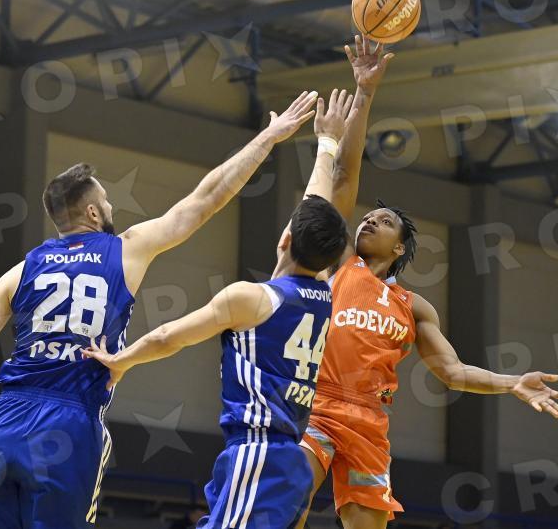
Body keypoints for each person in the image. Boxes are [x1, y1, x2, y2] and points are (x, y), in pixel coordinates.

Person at [0, 90, 319, 529]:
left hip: (2, 423)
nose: (110, 207)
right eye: (106, 200)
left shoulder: (21, 271)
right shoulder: (126, 249)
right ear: (92, 212)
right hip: (67, 423)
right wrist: (269, 137)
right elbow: (205, 199)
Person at [295, 36, 558, 529]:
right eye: (368, 218)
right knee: (287, 504)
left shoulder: (414, 307)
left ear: (399, 249)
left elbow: (453, 372)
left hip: (370, 420)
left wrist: (512, 383)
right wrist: (364, 94)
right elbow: (343, 175)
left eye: (383, 222)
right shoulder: (339, 264)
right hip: (318, 405)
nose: (369, 221)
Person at [86, 91, 356, 528]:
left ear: (285, 239)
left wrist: (122, 361)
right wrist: (327, 143)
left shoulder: (251, 299)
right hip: (288, 458)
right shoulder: (324, 292)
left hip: (258, 452)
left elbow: (168, 337)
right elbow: (316, 206)